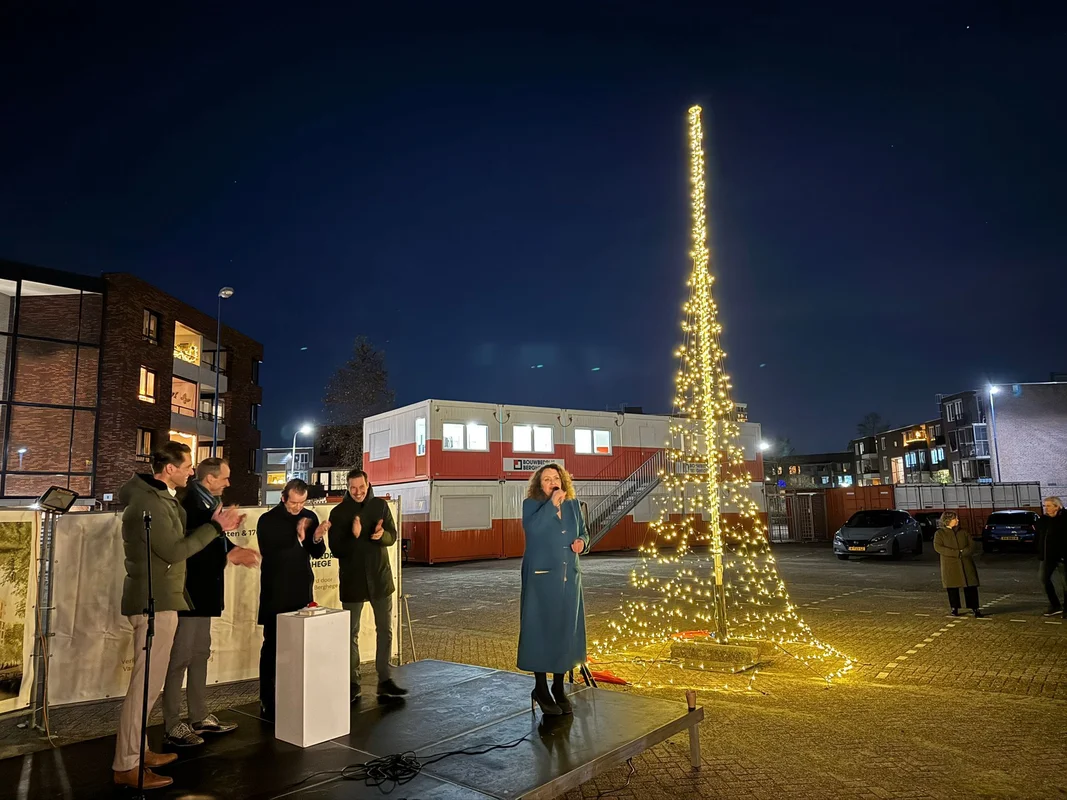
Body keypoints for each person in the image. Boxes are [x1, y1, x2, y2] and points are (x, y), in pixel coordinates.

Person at [112, 442, 242, 790]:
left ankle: (138, 752)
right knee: (144, 688)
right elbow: (174, 549)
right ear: (169, 468)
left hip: (164, 598)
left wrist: (215, 525)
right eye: (187, 466)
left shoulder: (161, 497)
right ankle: (127, 765)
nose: (191, 471)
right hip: (153, 601)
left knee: (148, 686)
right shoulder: (149, 501)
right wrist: (216, 528)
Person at [162, 458, 258, 747]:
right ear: (210, 479)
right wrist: (229, 554)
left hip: (204, 593)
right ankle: (172, 723)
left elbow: (212, 539)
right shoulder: (189, 502)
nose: (228, 483)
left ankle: (199, 715)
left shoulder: (206, 502)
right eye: (225, 478)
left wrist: (232, 545)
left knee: (200, 652)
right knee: (180, 657)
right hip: (190, 592)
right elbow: (188, 547)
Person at [327, 469, 406, 700]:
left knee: (385, 630)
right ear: (347, 487)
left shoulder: (380, 507)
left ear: (368, 484)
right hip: (352, 581)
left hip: (380, 579)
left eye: (361, 487)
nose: (358, 492)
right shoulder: (338, 513)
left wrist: (381, 535)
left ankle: (385, 679)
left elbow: (393, 536)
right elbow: (336, 550)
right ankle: (353, 683)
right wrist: (354, 535)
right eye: (353, 488)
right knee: (350, 633)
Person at [518, 463, 589, 716]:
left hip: (569, 578)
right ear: (539, 485)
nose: (552, 482)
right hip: (541, 579)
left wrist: (582, 542)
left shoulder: (573, 505)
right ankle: (540, 687)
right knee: (540, 630)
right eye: (546, 479)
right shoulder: (532, 506)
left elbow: (583, 532)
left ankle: (558, 687)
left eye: (556, 478)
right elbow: (533, 530)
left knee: (563, 631)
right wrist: (552, 506)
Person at [256, 479, 328, 719]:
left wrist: (316, 537)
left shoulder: (309, 516)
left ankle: (296, 694)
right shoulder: (267, 520)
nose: (298, 508)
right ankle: (268, 699)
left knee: (299, 647)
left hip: (301, 590)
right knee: (273, 648)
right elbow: (271, 552)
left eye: (302, 503)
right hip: (276, 592)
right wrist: (298, 539)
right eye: (294, 503)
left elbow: (316, 553)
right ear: (284, 498)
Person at [932, 511, 984, 618]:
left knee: (971, 586)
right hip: (950, 565)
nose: (958, 520)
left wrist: (963, 552)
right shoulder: (940, 534)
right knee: (952, 587)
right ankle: (954, 608)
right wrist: (956, 553)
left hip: (966, 563)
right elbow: (939, 548)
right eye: (955, 518)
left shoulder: (963, 532)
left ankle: (975, 608)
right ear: (948, 520)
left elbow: (972, 546)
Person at [1036, 496, 1066, 618]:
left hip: (1063, 557)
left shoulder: (1065, 519)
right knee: (1043, 578)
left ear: (1057, 506)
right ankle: (1055, 605)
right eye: (1045, 506)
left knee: (1065, 583)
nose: (1046, 508)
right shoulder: (1044, 520)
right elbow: (1040, 536)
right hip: (1047, 557)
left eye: (1048, 506)